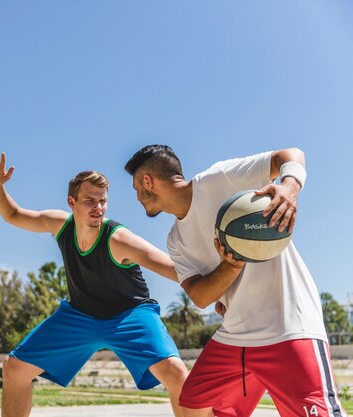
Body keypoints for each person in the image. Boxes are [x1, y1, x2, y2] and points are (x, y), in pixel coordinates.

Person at [124, 145, 347, 417]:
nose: (137, 197)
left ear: (148, 181)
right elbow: (200, 296)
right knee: (192, 403)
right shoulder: (176, 240)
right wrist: (231, 264)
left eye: (136, 187)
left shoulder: (219, 179)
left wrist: (290, 187)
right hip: (235, 337)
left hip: (288, 327)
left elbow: (290, 154)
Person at [0, 151, 188, 417]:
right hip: (80, 314)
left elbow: (175, 270)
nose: (97, 207)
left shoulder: (118, 238)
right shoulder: (60, 225)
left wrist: (220, 292)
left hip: (129, 315)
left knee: (177, 375)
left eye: (102, 201)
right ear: (72, 202)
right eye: (90, 201)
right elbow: (13, 214)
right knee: (14, 367)